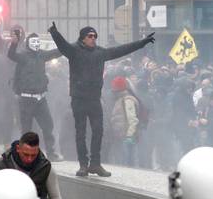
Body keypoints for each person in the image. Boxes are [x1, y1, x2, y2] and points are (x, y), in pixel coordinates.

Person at [48, 22, 154, 177]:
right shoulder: (74, 51)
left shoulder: (100, 52)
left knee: (98, 131)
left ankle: (95, 164)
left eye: (95, 36)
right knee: (80, 132)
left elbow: (122, 50)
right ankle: (83, 165)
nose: (93, 38)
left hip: (95, 99)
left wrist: (142, 42)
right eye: (90, 36)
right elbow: (62, 45)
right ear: (83, 38)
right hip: (78, 99)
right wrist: (54, 32)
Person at [8, 30, 63, 160]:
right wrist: (13, 44)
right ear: (28, 43)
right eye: (34, 42)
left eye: (38, 42)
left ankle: (50, 152)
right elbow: (11, 55)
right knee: (27, 129)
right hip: (26, 98)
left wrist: (63, 42)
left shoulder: (42, 55)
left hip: (40, 98)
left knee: (48, 125)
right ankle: (25, 154)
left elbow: (57, 52)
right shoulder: (23, 56)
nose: (36, 44)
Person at [109, 76, 140, 167]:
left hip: (126, 136)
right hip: (121, 135)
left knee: (127, 163)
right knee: (123, 162)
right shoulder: (121, 99)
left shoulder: (128, 100)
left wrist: (129, 135)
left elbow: (132, 119)